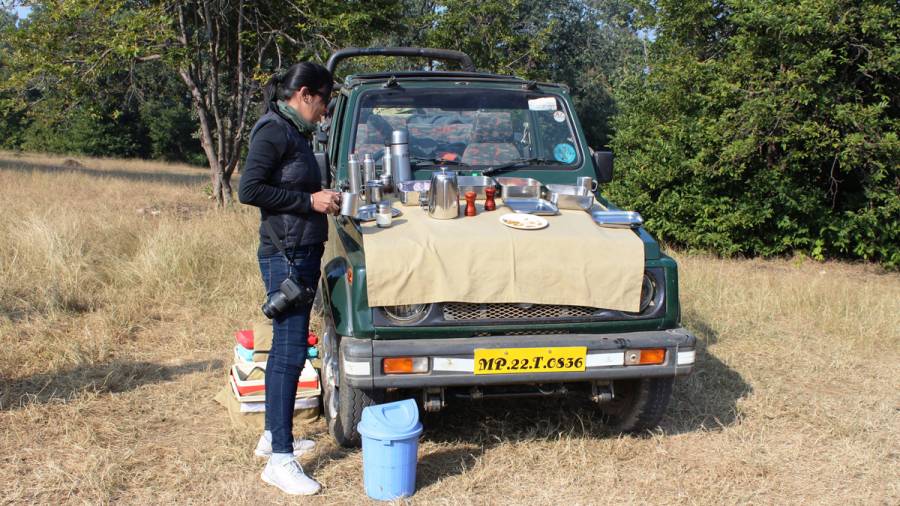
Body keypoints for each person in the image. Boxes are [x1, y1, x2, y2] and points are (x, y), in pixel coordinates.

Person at [238, 61, 340, 496]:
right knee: (288, 352)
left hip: (299, 250)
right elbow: (250, 189)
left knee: (289, 349)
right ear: (305, 94)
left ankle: (271, 437)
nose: (324, 111)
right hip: (286, 256)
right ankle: (281, 460)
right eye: (324, 101)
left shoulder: (293, 130)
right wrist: (309, 201)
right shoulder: (273, 129)